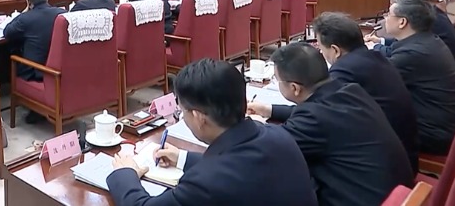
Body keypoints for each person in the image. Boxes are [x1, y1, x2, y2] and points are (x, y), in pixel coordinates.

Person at [107, 59, 318, 206]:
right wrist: (182, 158)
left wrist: (125, 173)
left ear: (199, 117)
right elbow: (240, 168)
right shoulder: (279, 136)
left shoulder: (205, 182)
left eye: (182, 112)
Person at [248, 42, 414, 206]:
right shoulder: (350, 91)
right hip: (396, 192)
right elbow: (318, 114)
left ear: (294, 88)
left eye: (278, 80)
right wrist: (269, 110)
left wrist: (251, 124)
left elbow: (273, 147)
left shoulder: (313, 118)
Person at [312, 12, 418, 171]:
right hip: (403, 154)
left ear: (335, 50)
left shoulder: (344, 70)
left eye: (320, 47)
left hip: (383, 166)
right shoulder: (374, 57)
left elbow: (318, 113)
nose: (321, 52)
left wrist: (275, 110)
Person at [380, 0, 455, 155]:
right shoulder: (427, 41)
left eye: (388, 14)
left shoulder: (413, 53)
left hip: (430, 134)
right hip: (439, 126)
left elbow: (374, 79)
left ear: (402, 22)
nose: (385, 18)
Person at [366, 0, 455, 59]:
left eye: (393, 5)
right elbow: (405, 43)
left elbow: (402, 53)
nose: (390, 9)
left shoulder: (430, 19)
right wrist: (381, 41)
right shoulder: (427, 12)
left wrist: (374, 47)